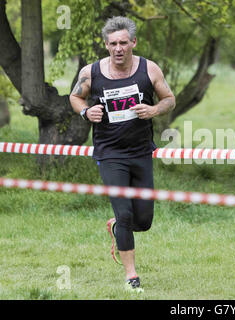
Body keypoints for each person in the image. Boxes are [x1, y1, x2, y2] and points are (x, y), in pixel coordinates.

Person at [69, 16, 175, 292]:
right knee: (126, 213)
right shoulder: (91, 72)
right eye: (113, 43)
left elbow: (169, 99)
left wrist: (153, 110)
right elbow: (75, 97)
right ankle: (131, 277)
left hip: (140, 152)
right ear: (106, 45)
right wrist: (85, 111)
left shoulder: (149, 69)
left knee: (144, 221)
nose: (118, 48)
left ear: (133, 43)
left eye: (123, 43)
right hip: (110, 152)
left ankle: (118, 226)